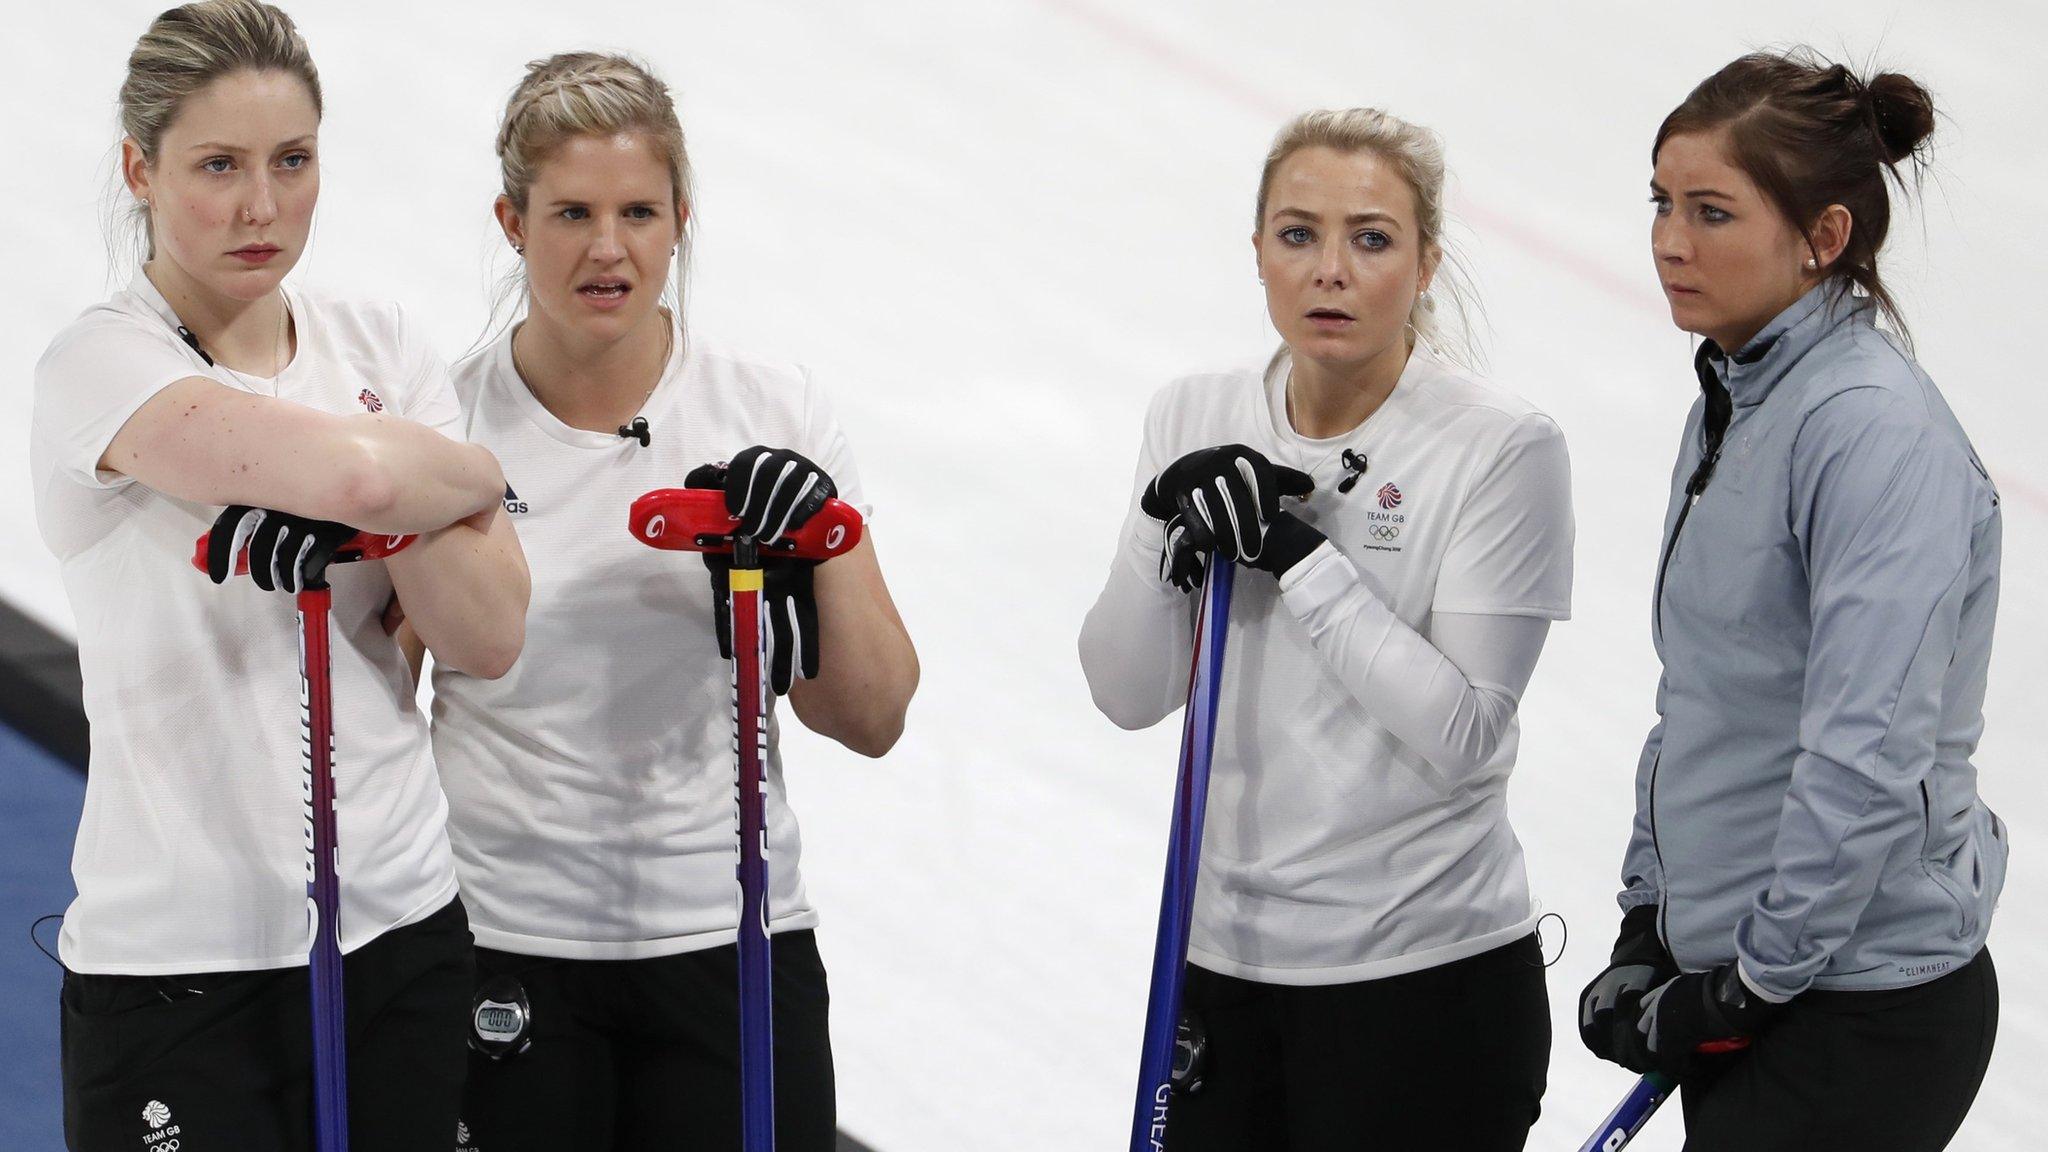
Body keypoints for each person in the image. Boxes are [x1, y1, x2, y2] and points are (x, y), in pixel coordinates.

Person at [29, 3, 530, 1150]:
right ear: (137, 170)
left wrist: (413, 509)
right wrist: (462, 479)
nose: (262, 206)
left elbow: (490, 635)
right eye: (218, 166)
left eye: (291, 162)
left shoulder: (381, 343)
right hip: (181, 964)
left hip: (403, 925)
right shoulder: (101, 364)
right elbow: (356, 481)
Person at [409, 52, 918, 1152]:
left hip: (730, 936)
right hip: (505, 940)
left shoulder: (770, 409)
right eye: (571, 213)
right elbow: (377, 698)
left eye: (638, 211)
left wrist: (811, 545)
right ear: (511, 220)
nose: (608, 247)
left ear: (681, 218)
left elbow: (870, 717)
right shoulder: (443, 429)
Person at [1078, 108, 1573, 1150]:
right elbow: (1125, 694)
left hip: (1418, 980)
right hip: (1221, 960)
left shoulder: (1499, 448)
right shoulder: (1192, 412)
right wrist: (1162, 545)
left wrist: (1301, 563)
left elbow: (1466, 729)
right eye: (1296, 235)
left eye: (1371, 238)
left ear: (1426, 260)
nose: (1329, 271)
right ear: (1256, 250)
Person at [1576, 50, 2006, 1152]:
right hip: (1762, 977)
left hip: (1853, 1007)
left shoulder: (1870, 436)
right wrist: (1650, 922)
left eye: (1712, 212)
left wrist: (1749, 988)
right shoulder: (1738, 393)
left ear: (1822, 238)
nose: (1671, 240)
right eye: (1662, 204)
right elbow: (1710, 697)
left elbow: (1862, 752)